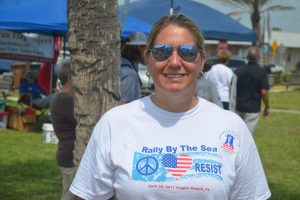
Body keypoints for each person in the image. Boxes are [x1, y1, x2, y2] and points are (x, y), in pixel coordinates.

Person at [70, 15, 271, 200]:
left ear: (201, 61)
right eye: (162, 52)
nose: (174, 62)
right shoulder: (115, 123)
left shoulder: (232, 127)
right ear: (148, 61)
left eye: (187, 53)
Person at [51, 59, 77, 200]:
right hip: (69, 155)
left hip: (67, 153)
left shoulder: (64, 98)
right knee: (69, 196)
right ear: (70, 78)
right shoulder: (65, 100)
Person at [235, 47, 270, 134]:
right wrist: (267, 107)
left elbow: (232, 88)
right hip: (252, 109)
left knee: (236, 134)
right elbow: (264, 92)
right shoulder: (262, 72)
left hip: (238, 107)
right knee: (246, 136)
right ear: (258, 57)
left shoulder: (238, 70)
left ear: (247, 57)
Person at [120, 32, 147, 103]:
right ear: (138, 48)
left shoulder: (123, 66)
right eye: (145, 47)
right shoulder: (130, 74)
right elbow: (123, 104)